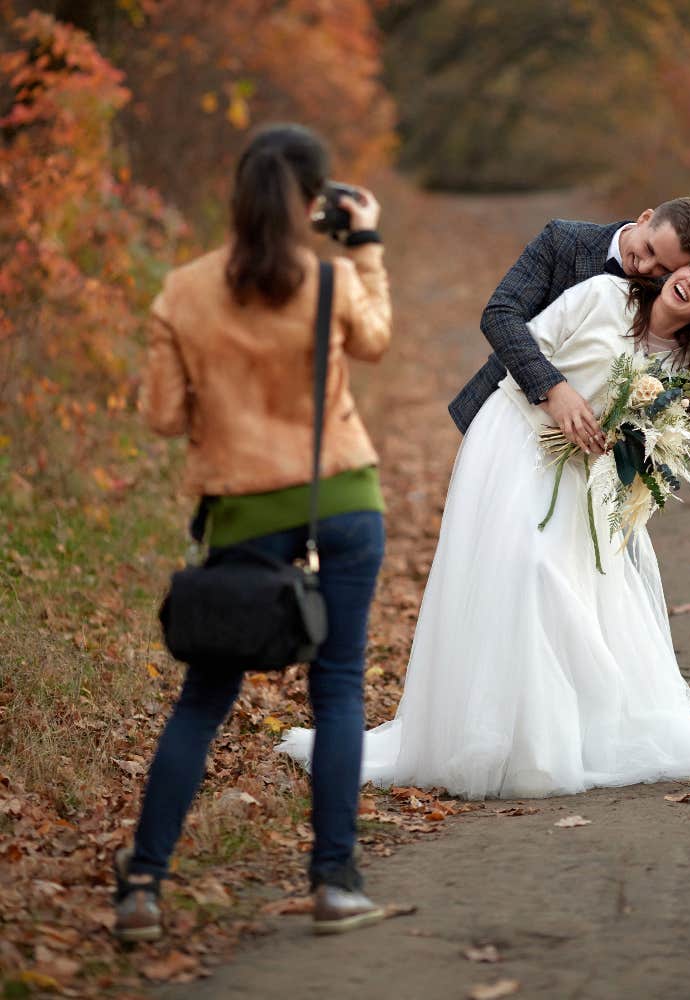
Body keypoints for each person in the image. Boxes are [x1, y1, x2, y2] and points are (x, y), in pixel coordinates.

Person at [278, 253, 690, 799]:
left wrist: (622, 453)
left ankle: (551, 732)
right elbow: (522, 350)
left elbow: (649, 450)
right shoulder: (605, 296)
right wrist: (557, 399)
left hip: (580, 476)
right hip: (514, 437)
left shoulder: (676, 370)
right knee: (521, 568)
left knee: (561, 585)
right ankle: (487, 735)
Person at [113, 123, 391, 941]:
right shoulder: (333, 279)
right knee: (338, 687)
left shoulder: (182, 290)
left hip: (242, 516)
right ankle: (336, 882)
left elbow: (162, 417)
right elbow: (375, 340)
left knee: (203, 699)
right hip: (343, 499)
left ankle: (143, 889)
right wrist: (366, 243)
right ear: (317, 203)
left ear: (237, 196)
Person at [449, 198, 690, 456]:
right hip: (506, 411)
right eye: (649, 250)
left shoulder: (669, 293)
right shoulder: (564, 240)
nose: (646, 266)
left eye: (663, 267)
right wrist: (553, 389)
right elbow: (501, 314)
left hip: (579, 457)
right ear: (645, 218)